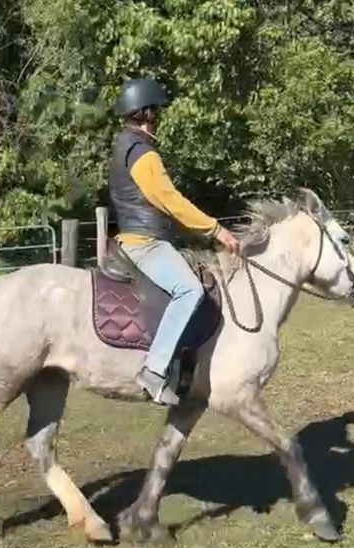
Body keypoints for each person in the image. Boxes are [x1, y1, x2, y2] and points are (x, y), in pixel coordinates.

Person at [108, 77, 240, 406]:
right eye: (157, 111)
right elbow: (169, 199)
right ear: (147, 112)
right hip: (145, 242)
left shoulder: (125, 144)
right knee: (189, 290)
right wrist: (214, 229)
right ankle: (154, 370)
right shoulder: (142, 152)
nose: (159, 117)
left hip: (141, 237)